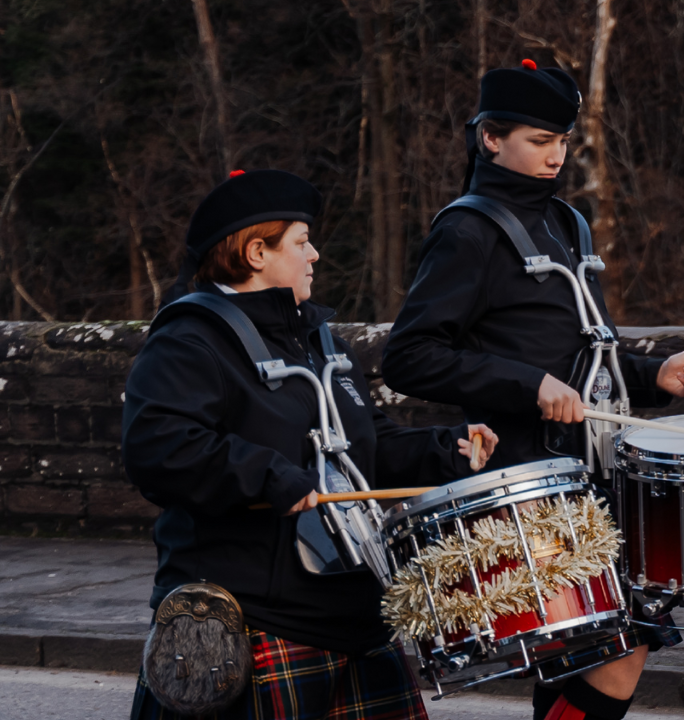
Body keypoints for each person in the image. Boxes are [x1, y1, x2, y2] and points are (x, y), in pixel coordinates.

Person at [380, 60, 684, 720]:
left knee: (589, 654)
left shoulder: (569, 225)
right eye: (539, 141)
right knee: (618, 650)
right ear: (489, 138)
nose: (555, 156)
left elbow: (589, 353)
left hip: (593, 476)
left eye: (563, 142)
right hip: (527, 484)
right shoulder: (467, 231)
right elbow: (409, 358)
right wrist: (526, 385)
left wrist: (656, 374)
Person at [124, 169, 497, 719]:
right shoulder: (190, 341)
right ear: (256, 252)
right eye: (301, 242)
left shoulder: (322, 342)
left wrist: (446, 448)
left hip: (360, 619)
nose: (315, 254)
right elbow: (158, 448)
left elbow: (360, 450)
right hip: (260, 622)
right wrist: (270, 475)